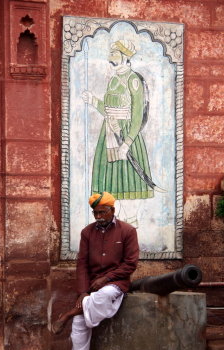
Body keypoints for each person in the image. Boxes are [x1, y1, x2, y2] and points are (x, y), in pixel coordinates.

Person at [52, 191, 139, 350]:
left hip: (115, 284)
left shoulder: (127, 231)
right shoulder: (87, 232)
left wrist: (107, 278)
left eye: (102, 212)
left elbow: (130, 264)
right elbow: (81, 264)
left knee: (104, 295)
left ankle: (68, 314)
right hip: (91, 286)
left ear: (112, 210)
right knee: (79, 326)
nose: (99, 217)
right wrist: (83, 291)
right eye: (95, 213)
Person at [82, 39, 154, 226]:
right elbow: (108, 109)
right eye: (111, 53)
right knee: (112, 183)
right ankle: (117, 225)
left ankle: (131, 225)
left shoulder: (133, 80)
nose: (110, 57)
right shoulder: (114, 79)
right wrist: (93, 101)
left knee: (127, 180)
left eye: (114, 54)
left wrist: (127, 143)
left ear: (124, 57)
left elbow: (137, 116)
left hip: (126, 136)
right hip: (108, 135)